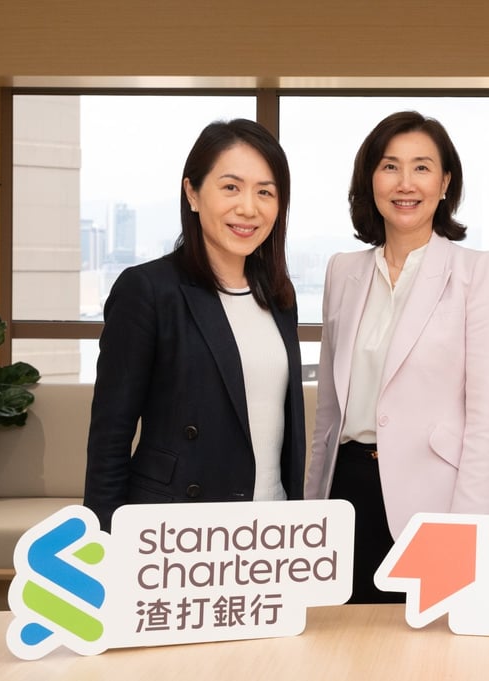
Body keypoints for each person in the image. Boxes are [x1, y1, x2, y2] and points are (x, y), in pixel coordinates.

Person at [305, 111, 489, 603]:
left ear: (445, 183)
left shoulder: (478, 273)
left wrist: (469, 533)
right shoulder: (342, 271)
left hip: (434, 499)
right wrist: (311, 510)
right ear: (370, 180)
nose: (405, 183)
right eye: (389, 166)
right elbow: (329, 414)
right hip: (346, 493)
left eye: (421, 168)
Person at [84, 119, 305, 532]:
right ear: (193, 193)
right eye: (230, 187)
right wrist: (104, 542)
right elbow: (110, 438)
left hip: (273, 525)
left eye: (265, 192)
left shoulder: (278, 296)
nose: (248, 208)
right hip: (174, 532)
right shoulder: (148, 290)